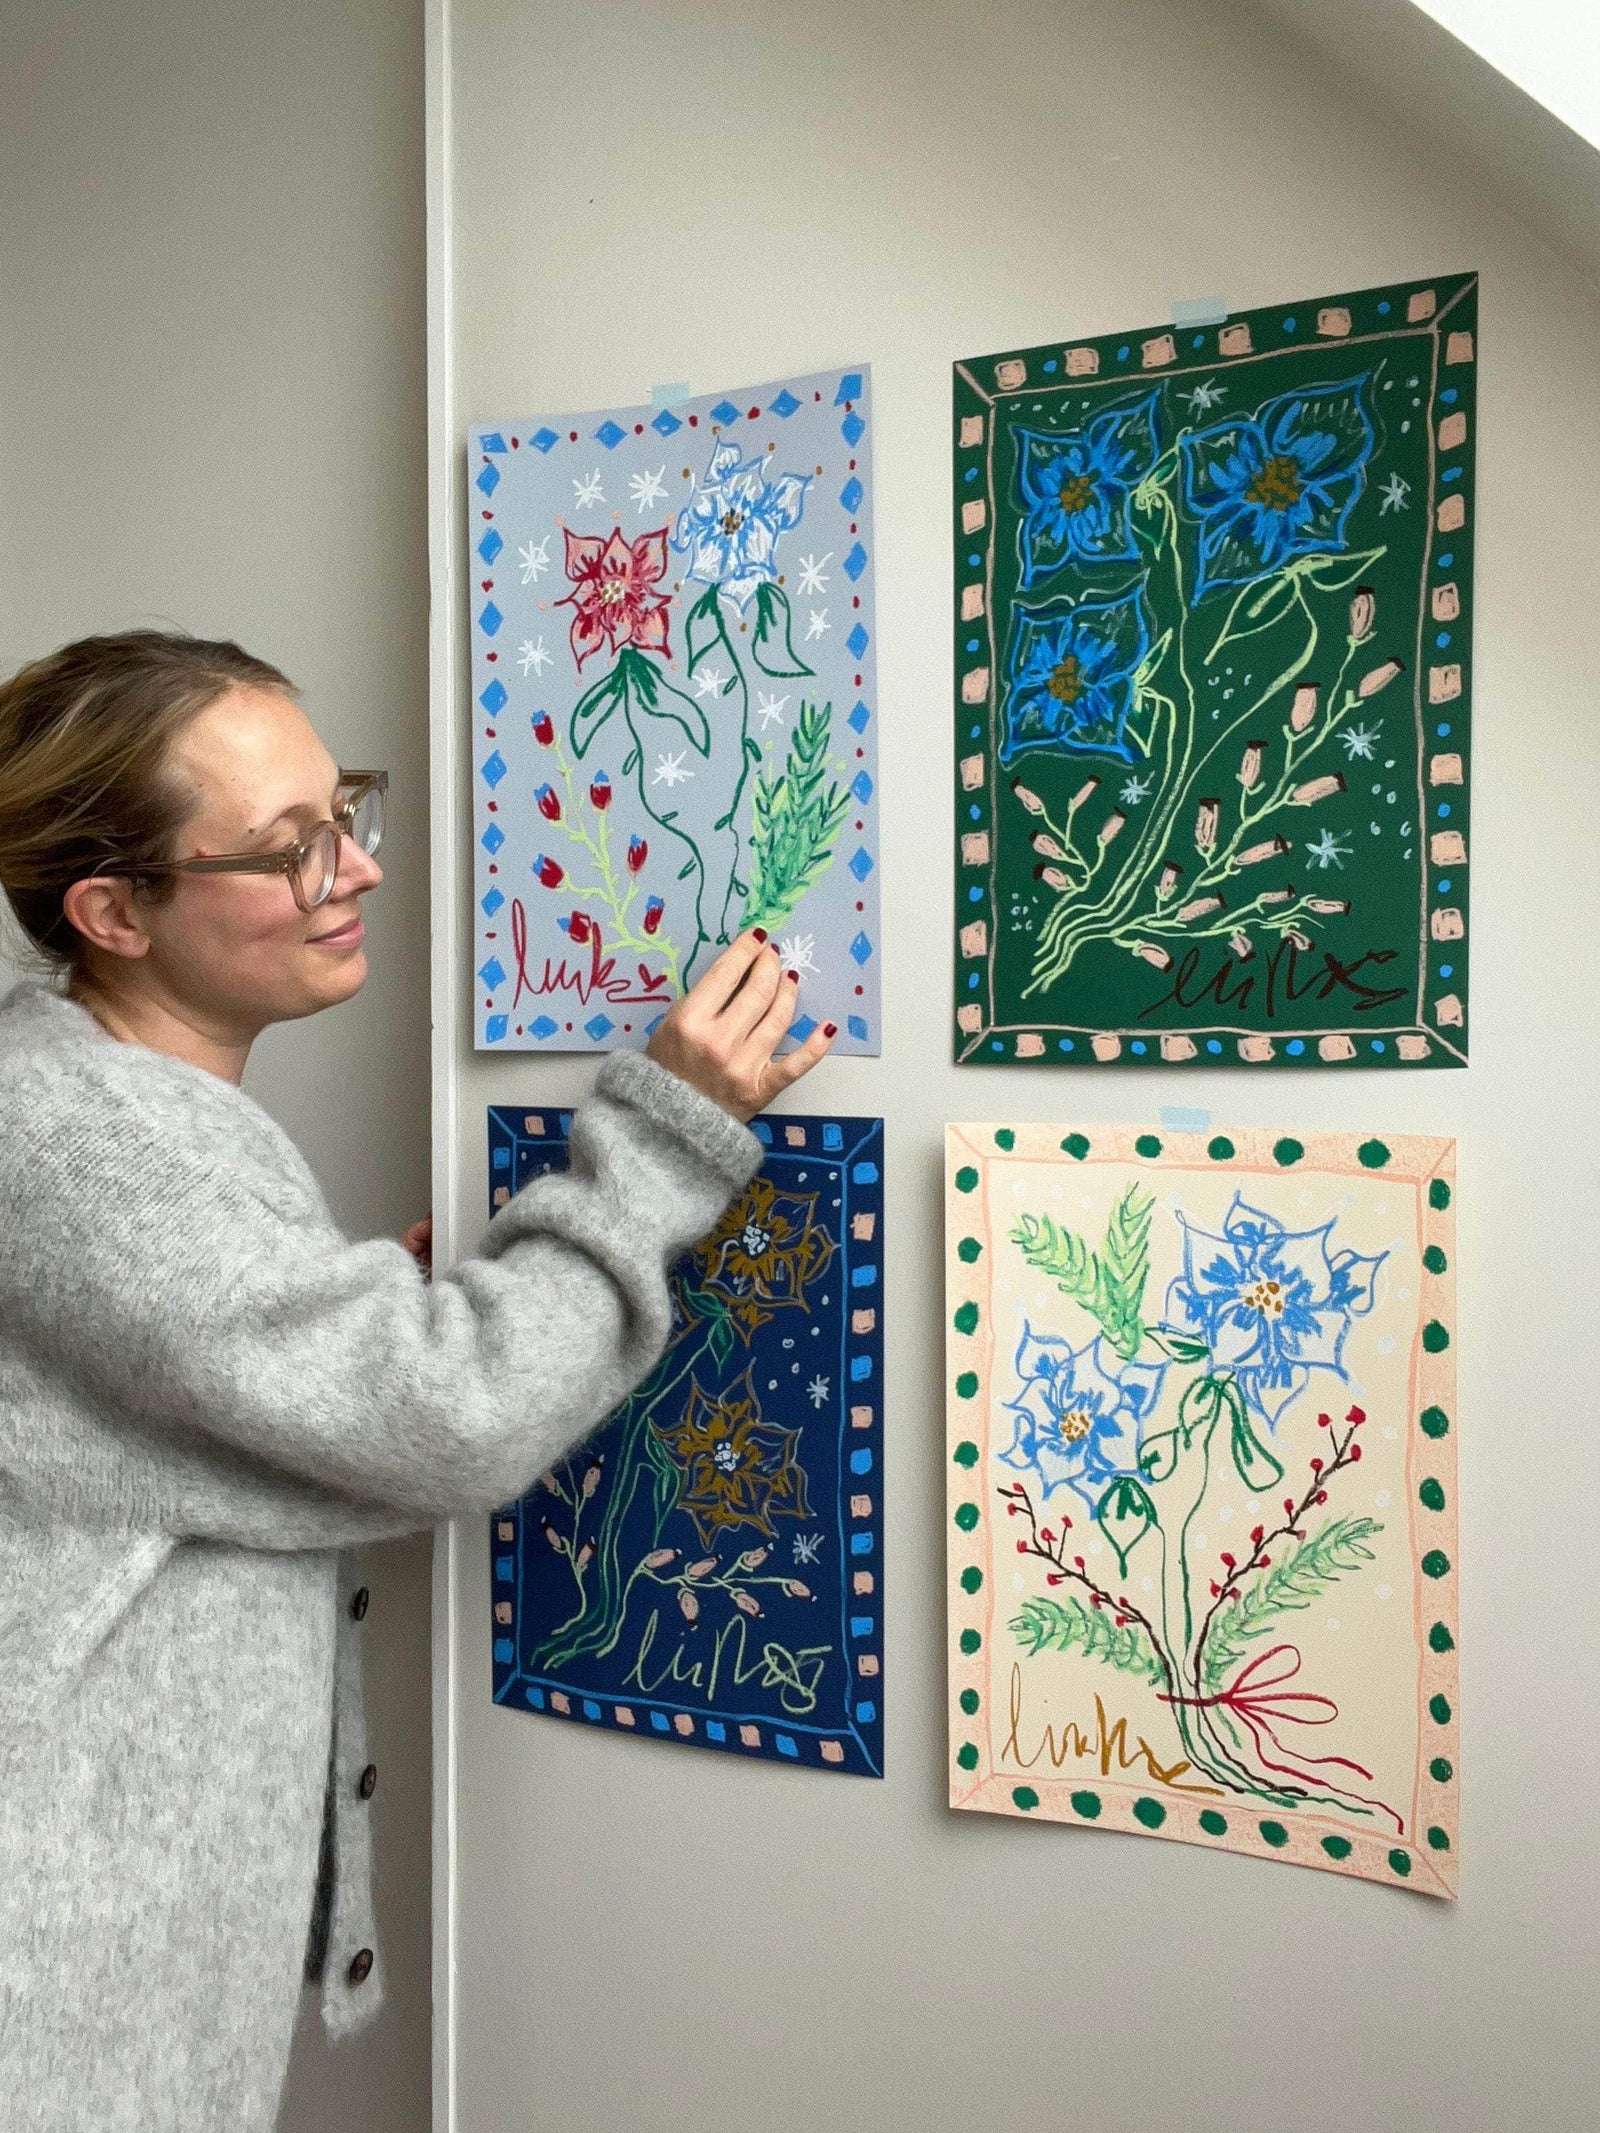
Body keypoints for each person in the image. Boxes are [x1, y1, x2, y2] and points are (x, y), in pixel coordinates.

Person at [0, 630, 834, 2132]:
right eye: (289, 847)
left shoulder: (98, 1099)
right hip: (61, 1984)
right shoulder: (75, 1146)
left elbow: (166, 1383)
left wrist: (329, 1331)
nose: (359, 871)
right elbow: (457, 1418)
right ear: (112, 908)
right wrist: (663, 1142)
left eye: (347, 810)